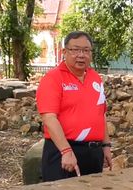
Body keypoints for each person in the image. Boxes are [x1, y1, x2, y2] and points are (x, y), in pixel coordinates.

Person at [36, 31, 112, 182]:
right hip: (63, 152)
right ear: (64, 52)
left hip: (93, 153)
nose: (81, 55)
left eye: (86, 50)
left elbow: (100, 114)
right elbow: (49, 118)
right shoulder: (53, 79)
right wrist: (66, 150)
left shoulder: (95, 78)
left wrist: (106, 146)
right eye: (75, 50)